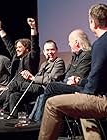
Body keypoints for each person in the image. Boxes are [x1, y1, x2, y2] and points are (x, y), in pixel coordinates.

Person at [38, 3, 107, 140]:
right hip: (102, 95)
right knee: (82, 108)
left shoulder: (100, 44)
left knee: (51, 104)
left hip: (103, 100)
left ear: (93, 22)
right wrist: (81, 83)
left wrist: (80, 91)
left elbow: (93, 86)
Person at [29, 28, 91, 123]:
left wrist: (61, 82)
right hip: (68, 85)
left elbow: (79, 76)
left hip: (78, 88)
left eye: (69, 42)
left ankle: (38, 123)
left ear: (76, 42)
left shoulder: (86, 55)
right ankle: (33, 120)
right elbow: (66, 74)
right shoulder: (75, 56)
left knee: (51, 86)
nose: (68, 44)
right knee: (42, 95)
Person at [7, 38, 65, 118]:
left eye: (52, 50)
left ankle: (4, 110)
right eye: (47, 50)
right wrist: (28, 76)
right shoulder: (44, 64)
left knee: (14, 84)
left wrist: (32, 78)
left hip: (46, 89)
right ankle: (13, 119)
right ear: (44, 52)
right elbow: (36, 78)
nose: (50, 52)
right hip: (37, 89)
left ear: (57, 50)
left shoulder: (59, 61)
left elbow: (51, 80)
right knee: (14, 95)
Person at [0, 18, 41, 115]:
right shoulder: (16, 58)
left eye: (19, 47)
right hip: (14, 89)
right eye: (16, 48)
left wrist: (33, 28)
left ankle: (9, 114)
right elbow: (8, 44)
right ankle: (4, 117)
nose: (17, 49)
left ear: (27, 49)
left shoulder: (31, 58)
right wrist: (0, 29)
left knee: (13, 97)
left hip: (27, 88)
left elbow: (35, 44)